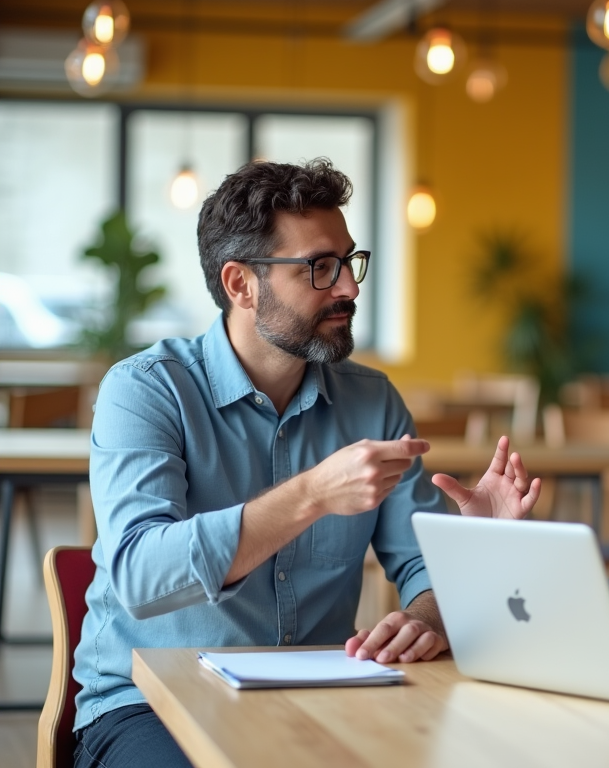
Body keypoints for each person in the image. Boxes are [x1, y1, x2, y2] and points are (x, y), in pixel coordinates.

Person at [73, 158, 541, 768]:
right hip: (149, 703)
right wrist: (313, 494)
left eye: (349, 261)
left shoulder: (372, 401)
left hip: (325, 693)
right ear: (240, 284)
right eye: (320, 267)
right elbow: (140, 572)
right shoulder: (145, 390)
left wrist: (433, 609)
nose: (348, 287)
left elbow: (424, 566)